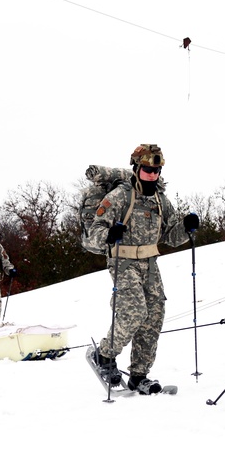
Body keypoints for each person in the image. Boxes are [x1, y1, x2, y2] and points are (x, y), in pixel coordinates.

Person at [87, 143, 199, 394]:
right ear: (137, 168)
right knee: (135, 311)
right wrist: (109, 234)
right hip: (122, 262)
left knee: (154, 316)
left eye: (156, 171)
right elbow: (93, 233)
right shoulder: (119, 197)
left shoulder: (160, 200)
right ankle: (104, 355)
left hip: (150, 264)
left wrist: (187, 227)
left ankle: (139, 375)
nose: (153, 175)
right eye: (148, 170)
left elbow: (169, 236)